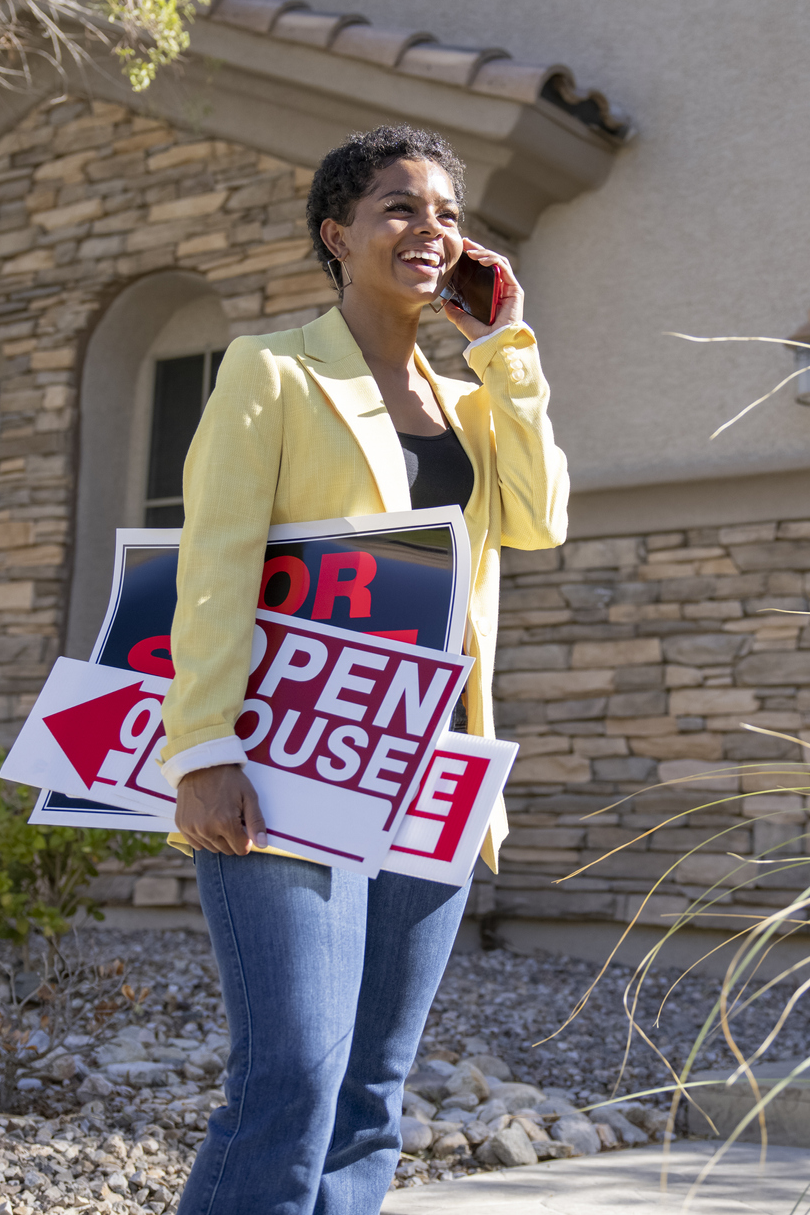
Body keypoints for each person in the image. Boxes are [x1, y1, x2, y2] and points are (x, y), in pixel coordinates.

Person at [154, 124, 569, 1214]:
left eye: (444, 212)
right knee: (289, 1074)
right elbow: (214, 564)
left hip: (433, 765)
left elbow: (537, 518)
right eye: (398, 207)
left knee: (370, 1091)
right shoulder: (272, 368)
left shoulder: (470, 401)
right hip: (289, 756)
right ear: (336, 234)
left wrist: (508, 348)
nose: (428, 229)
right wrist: (202, 749)